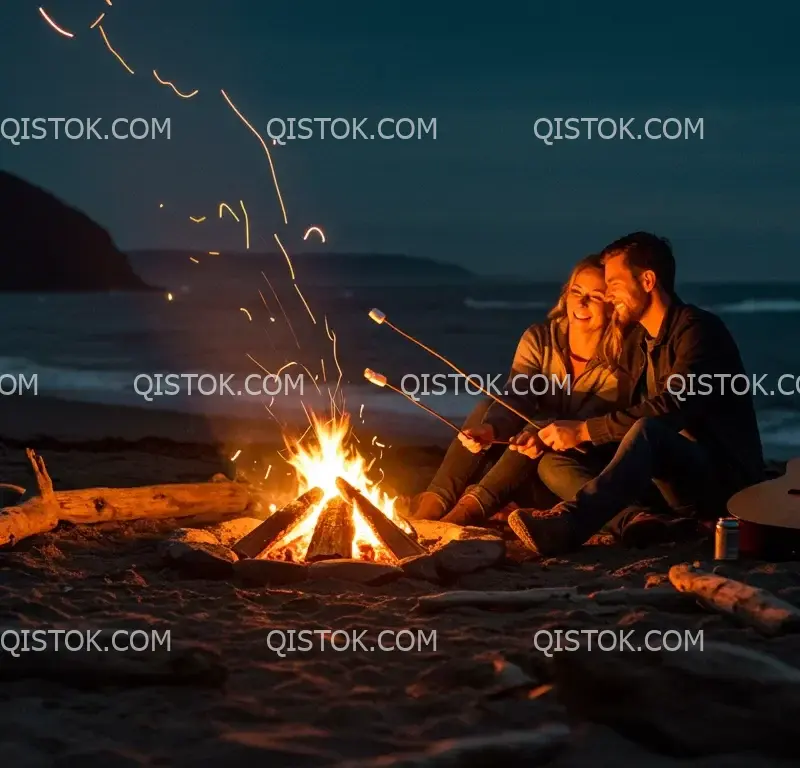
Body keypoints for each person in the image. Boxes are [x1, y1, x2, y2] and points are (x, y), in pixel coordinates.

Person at [506, 231, 766, 555]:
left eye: (613, 283)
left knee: (647, 431)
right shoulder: (637, 342)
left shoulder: (699, 331)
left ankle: (568, 526)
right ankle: (638, 520)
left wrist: (585, 431)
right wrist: (558, 434)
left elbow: (672, 406)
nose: (608, 293)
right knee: (555, 459)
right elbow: (617, 408)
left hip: (720, 484)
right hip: (662, 482)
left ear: (647, 280)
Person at [408, 253, 625, 526]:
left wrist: (542, 433)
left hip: (577, 460)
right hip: (522, 459)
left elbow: (595, 417)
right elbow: (518, 394)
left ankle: (463, 515)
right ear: (565, 295)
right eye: (576, 291)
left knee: (539, 423)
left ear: (613, 304)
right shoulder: (540, 338)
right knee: (488, 409)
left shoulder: (620, 355)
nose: (581, 302)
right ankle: (432, 505)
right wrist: (491, 431)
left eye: (594, 296)